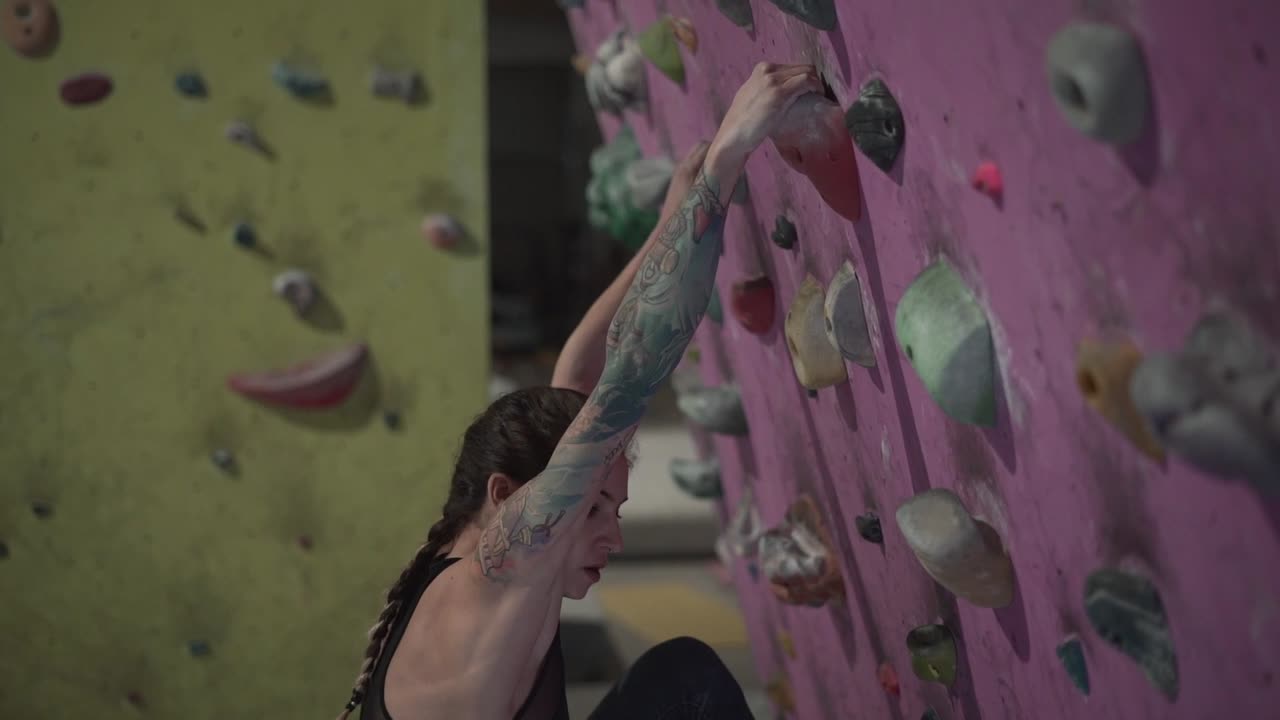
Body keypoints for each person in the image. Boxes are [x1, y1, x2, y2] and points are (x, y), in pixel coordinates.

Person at [336, 62, 823, 720]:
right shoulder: (497, 579)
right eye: (594, 508)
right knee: (689, 681)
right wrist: (728, 157)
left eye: (610, 512)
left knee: (681, 672)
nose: (613, 540)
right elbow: (628, 376)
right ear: (505, 497)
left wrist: (673, 221)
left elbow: (582, 377)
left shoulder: (484, 560)